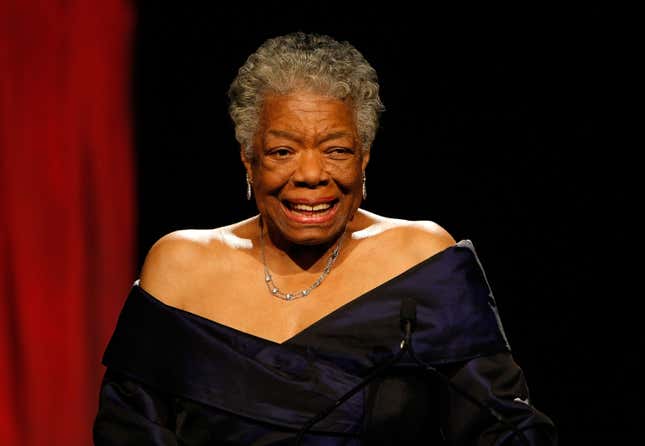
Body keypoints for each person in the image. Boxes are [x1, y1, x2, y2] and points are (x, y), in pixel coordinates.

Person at [93, 32, 557, 445]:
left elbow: (505, 429)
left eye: (336, 150)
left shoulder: (420, 261)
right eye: (282, 151)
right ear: (248, 161)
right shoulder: (180, 268)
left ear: (364, 160)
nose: (312, 175)